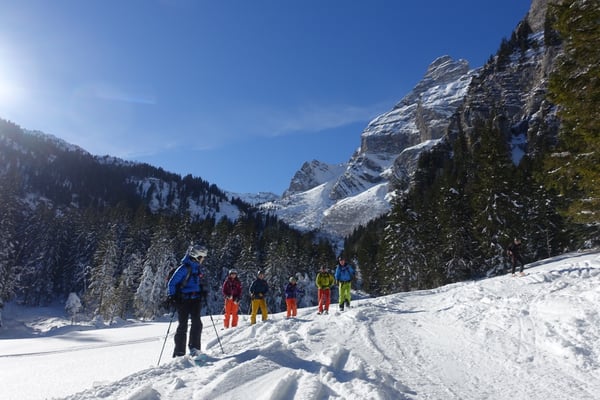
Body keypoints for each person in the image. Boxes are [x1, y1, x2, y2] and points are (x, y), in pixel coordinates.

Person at [167, 244, 207, 357]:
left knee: (197, 324)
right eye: (202, 257)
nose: (203, 260)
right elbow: (172, 283)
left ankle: (195, 348)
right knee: (183, 325)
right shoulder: (184, 268)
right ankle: (179, 353)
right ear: (197, 257)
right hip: (183, 300)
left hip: (195, 300)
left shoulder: (197, 268)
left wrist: (202, 291)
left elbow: (196, 283)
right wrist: (172, 296)